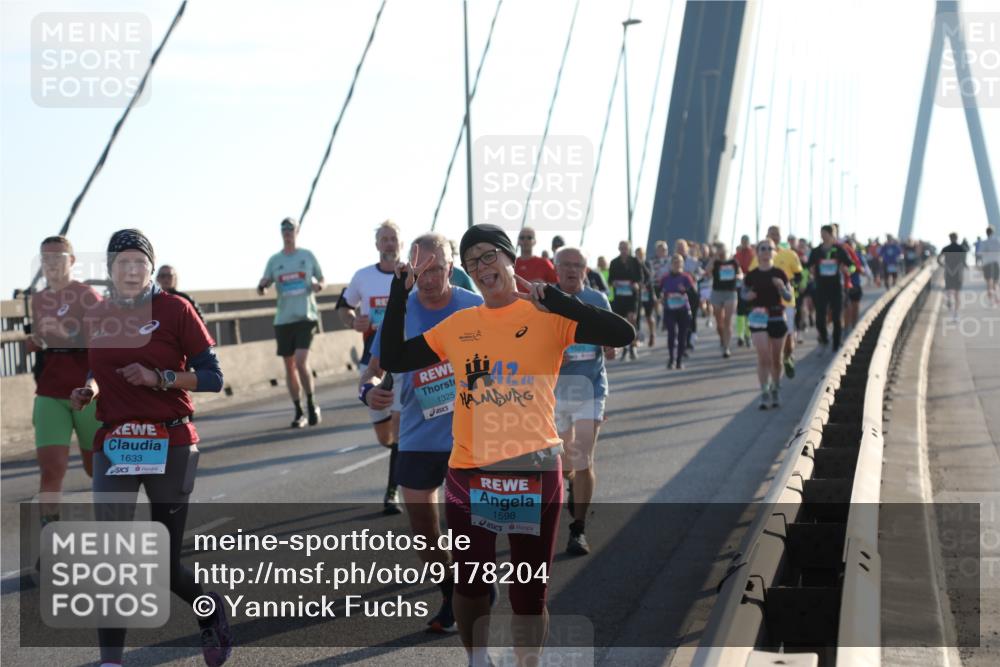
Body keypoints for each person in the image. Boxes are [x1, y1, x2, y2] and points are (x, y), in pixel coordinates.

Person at [379, 223, 634, 667]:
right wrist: (400, 295)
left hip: (534, 471)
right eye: (472, 260)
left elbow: (622, 333)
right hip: (470, 471)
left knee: (528, 593)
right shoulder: (459, 325)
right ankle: (478, 659)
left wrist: (558, 300)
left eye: (489, 255)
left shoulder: (549, 316)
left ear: (510, 259)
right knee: (471, 585)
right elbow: (397, 358)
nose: (481, 267)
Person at [70, 229, 231, 667]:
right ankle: (110, 661)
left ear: (150, 267)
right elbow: (97, 366)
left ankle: (210, 608)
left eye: (139, 262)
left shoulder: (175, 309)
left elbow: (213, 377)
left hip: (170, 440)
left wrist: (159, 378)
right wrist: (89, 388)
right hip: (117, 442)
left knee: (162, 564)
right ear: (109, 270)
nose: (131, 269)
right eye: (122, 262)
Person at [366, 233, 483, 633]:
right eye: (422, 270)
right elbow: (374, 367)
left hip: (468, 436)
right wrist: (370, 391)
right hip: (416, 436)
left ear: (452, 267)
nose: (430, 278)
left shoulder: (475, 308)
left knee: (466, 526)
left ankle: (472, 593)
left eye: (437, 268)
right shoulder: (401, 311)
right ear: (410, 270)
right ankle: (450, 590)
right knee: (424, 533)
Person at [28, 235, 102, 529]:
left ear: (71, 261)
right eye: (45, 258)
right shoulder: (38, 299)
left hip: (86, 392)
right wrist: (35, 341)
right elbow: (43, 342)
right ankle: (50, 529)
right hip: (49, 391)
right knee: (51, 468)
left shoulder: (89, 297)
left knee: (94, 468)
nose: (51, 264)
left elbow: (103, 344)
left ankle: (110, 526)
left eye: (57, 258)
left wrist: (64, 333)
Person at [338, 220, 404, 514]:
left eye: (393, 239)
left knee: (401, 430)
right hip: (372, 364)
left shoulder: (410, 275)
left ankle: (392, 492)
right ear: (377, 245)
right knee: (385, 436)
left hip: (404, 364)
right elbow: (344, 306)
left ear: (401, 244)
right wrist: (353, 321)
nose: (389, 244)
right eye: (384, 239)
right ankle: (405, 459)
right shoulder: (363, 277)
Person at [552, 246, 614, 556]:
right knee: (564, 463)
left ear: (585, 271)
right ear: (556, 269)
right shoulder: (545, 302)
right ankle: (570, 484)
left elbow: (610, 335)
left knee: (583, 456)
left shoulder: (597, 300)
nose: (572, 270)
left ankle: (578, 530)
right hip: (557, 392)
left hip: (591, 388)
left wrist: (611, 345)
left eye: (578, 265)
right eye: (566, 265)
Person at [257, 217, 325, 428]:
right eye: (284, 229)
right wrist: (263, 286)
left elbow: (322, 279)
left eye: (291, 228)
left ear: (297, 231)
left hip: (305, 316)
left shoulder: (307, 256)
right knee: (289, 365)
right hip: (283, 319)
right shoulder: (274, 260)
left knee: (301, 360)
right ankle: (299, 410)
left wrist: (318, 286)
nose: (287, 232)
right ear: (281, 232)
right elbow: (264, 284)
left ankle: (312, 403)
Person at [743, 239, 793, 409]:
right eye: (762, 248)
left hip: (777, 316)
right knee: (764, 358)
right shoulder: (752, 275)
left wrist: (782, 288)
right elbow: (743, 294)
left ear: (774, 252)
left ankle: (776, 388)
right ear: (757, 252)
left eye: (768, 248)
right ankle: (764, 392)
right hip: (758, 317)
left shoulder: (780, 273)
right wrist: (746, 297)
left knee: (776, 359)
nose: (765, 251)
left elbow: (788, 298)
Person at [749, 226, 803, 379]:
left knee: (788, 340)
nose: (774, 236)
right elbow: (753, 277)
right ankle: (774, 366)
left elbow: (799, 275)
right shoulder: (758, 256)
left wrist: (789, 284)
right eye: (771, 234)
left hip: (787, 302)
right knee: (770, 343)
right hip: (765, 306)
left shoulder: (790, 254)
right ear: (767, 235)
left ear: (781, 236)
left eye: (777, 234)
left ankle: (787, 358)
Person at [807, 225, 853, 350]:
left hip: (836, 287)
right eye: (821, 233)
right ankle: (824, 336)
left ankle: (836, 343)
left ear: (832, 235)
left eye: (826, 234)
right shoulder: (816, 251)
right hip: (821, 287)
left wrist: (847, 270)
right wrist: (810, 272)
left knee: (837, 317)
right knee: (820, 318)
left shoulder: (839, 250)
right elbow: (808, 266)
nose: (823, 236)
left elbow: (852, 265)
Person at [659, 254, 697, 369]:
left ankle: (679, 360)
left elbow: (694, 294)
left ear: (682, 264)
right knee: (671, 334)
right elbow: (658, 291)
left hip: (683, 310)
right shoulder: (665, 278)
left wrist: (685, 291)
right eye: (674, 262)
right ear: (671, 264)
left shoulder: (686, 277)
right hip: (669, 310)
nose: (676, 264)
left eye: (679, 262)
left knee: (682, 335)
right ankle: (671, 359)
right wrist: (661, 296)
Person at [609, 240, 643, 360]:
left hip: (632, 296)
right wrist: (613, 283)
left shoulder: (635, 262)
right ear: (619, 249)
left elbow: (641, 278)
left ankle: (632, 346)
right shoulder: (614, 262)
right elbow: (610, 279)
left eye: (625, 248)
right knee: (621, 323)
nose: (623, 250)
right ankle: (624, 348)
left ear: (629, 249)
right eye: (621, 248)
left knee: (632, 319)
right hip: (619, 297)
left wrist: (637, 284)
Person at [706, 243, 741, 357]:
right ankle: (722, 338)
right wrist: (714, 257)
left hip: (730, 292)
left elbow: (741, 273)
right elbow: (707, 271)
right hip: (717, 293)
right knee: (719, 322)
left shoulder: (733, 262)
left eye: (723, 249)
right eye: (719, 250)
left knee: (728, 321)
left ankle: (726, 347)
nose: (721, 252)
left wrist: (739, 277)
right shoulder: (715, 262)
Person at [939, 232, 968, 321]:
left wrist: (942, 265)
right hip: (958, 273)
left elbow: (938, 259)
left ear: (950, 238)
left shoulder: (946, 248)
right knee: (957, 294)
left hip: (948, 272)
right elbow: (964, 261)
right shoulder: (961, 248)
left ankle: (948, 299)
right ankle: (955, 314)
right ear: (957, 238)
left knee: (948, 289)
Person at [734, 235, 755, 347]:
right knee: (740, 312)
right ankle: (740, 335)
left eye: (746, 241)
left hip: (751, 285)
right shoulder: (737, 255)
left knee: (749, 312)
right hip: (740, 286)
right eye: (743, 241)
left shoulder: (753, 254)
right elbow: (734, 267)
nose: (745, 243)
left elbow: (755, 267)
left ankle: (748, 335)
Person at [634, 247, 657, 347]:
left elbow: (650, 276)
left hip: (648, 293)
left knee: (649, 316)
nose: (639, 256)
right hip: (637, 294)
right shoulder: (633, 265)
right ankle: (638, 337)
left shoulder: (648, 263)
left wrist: (642, 264)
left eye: (641, 254)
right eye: (637, 254)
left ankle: (652, 334)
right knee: (637, 316)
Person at [980, 226, 1000, 306]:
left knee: (989, 283)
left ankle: (991, 301)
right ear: (993, 232)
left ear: (986, 233)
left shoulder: (984, 242)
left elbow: (980, 253)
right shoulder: (997, 241)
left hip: (987, 264)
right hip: (996, 263)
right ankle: (997, 297)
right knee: (995, 283)